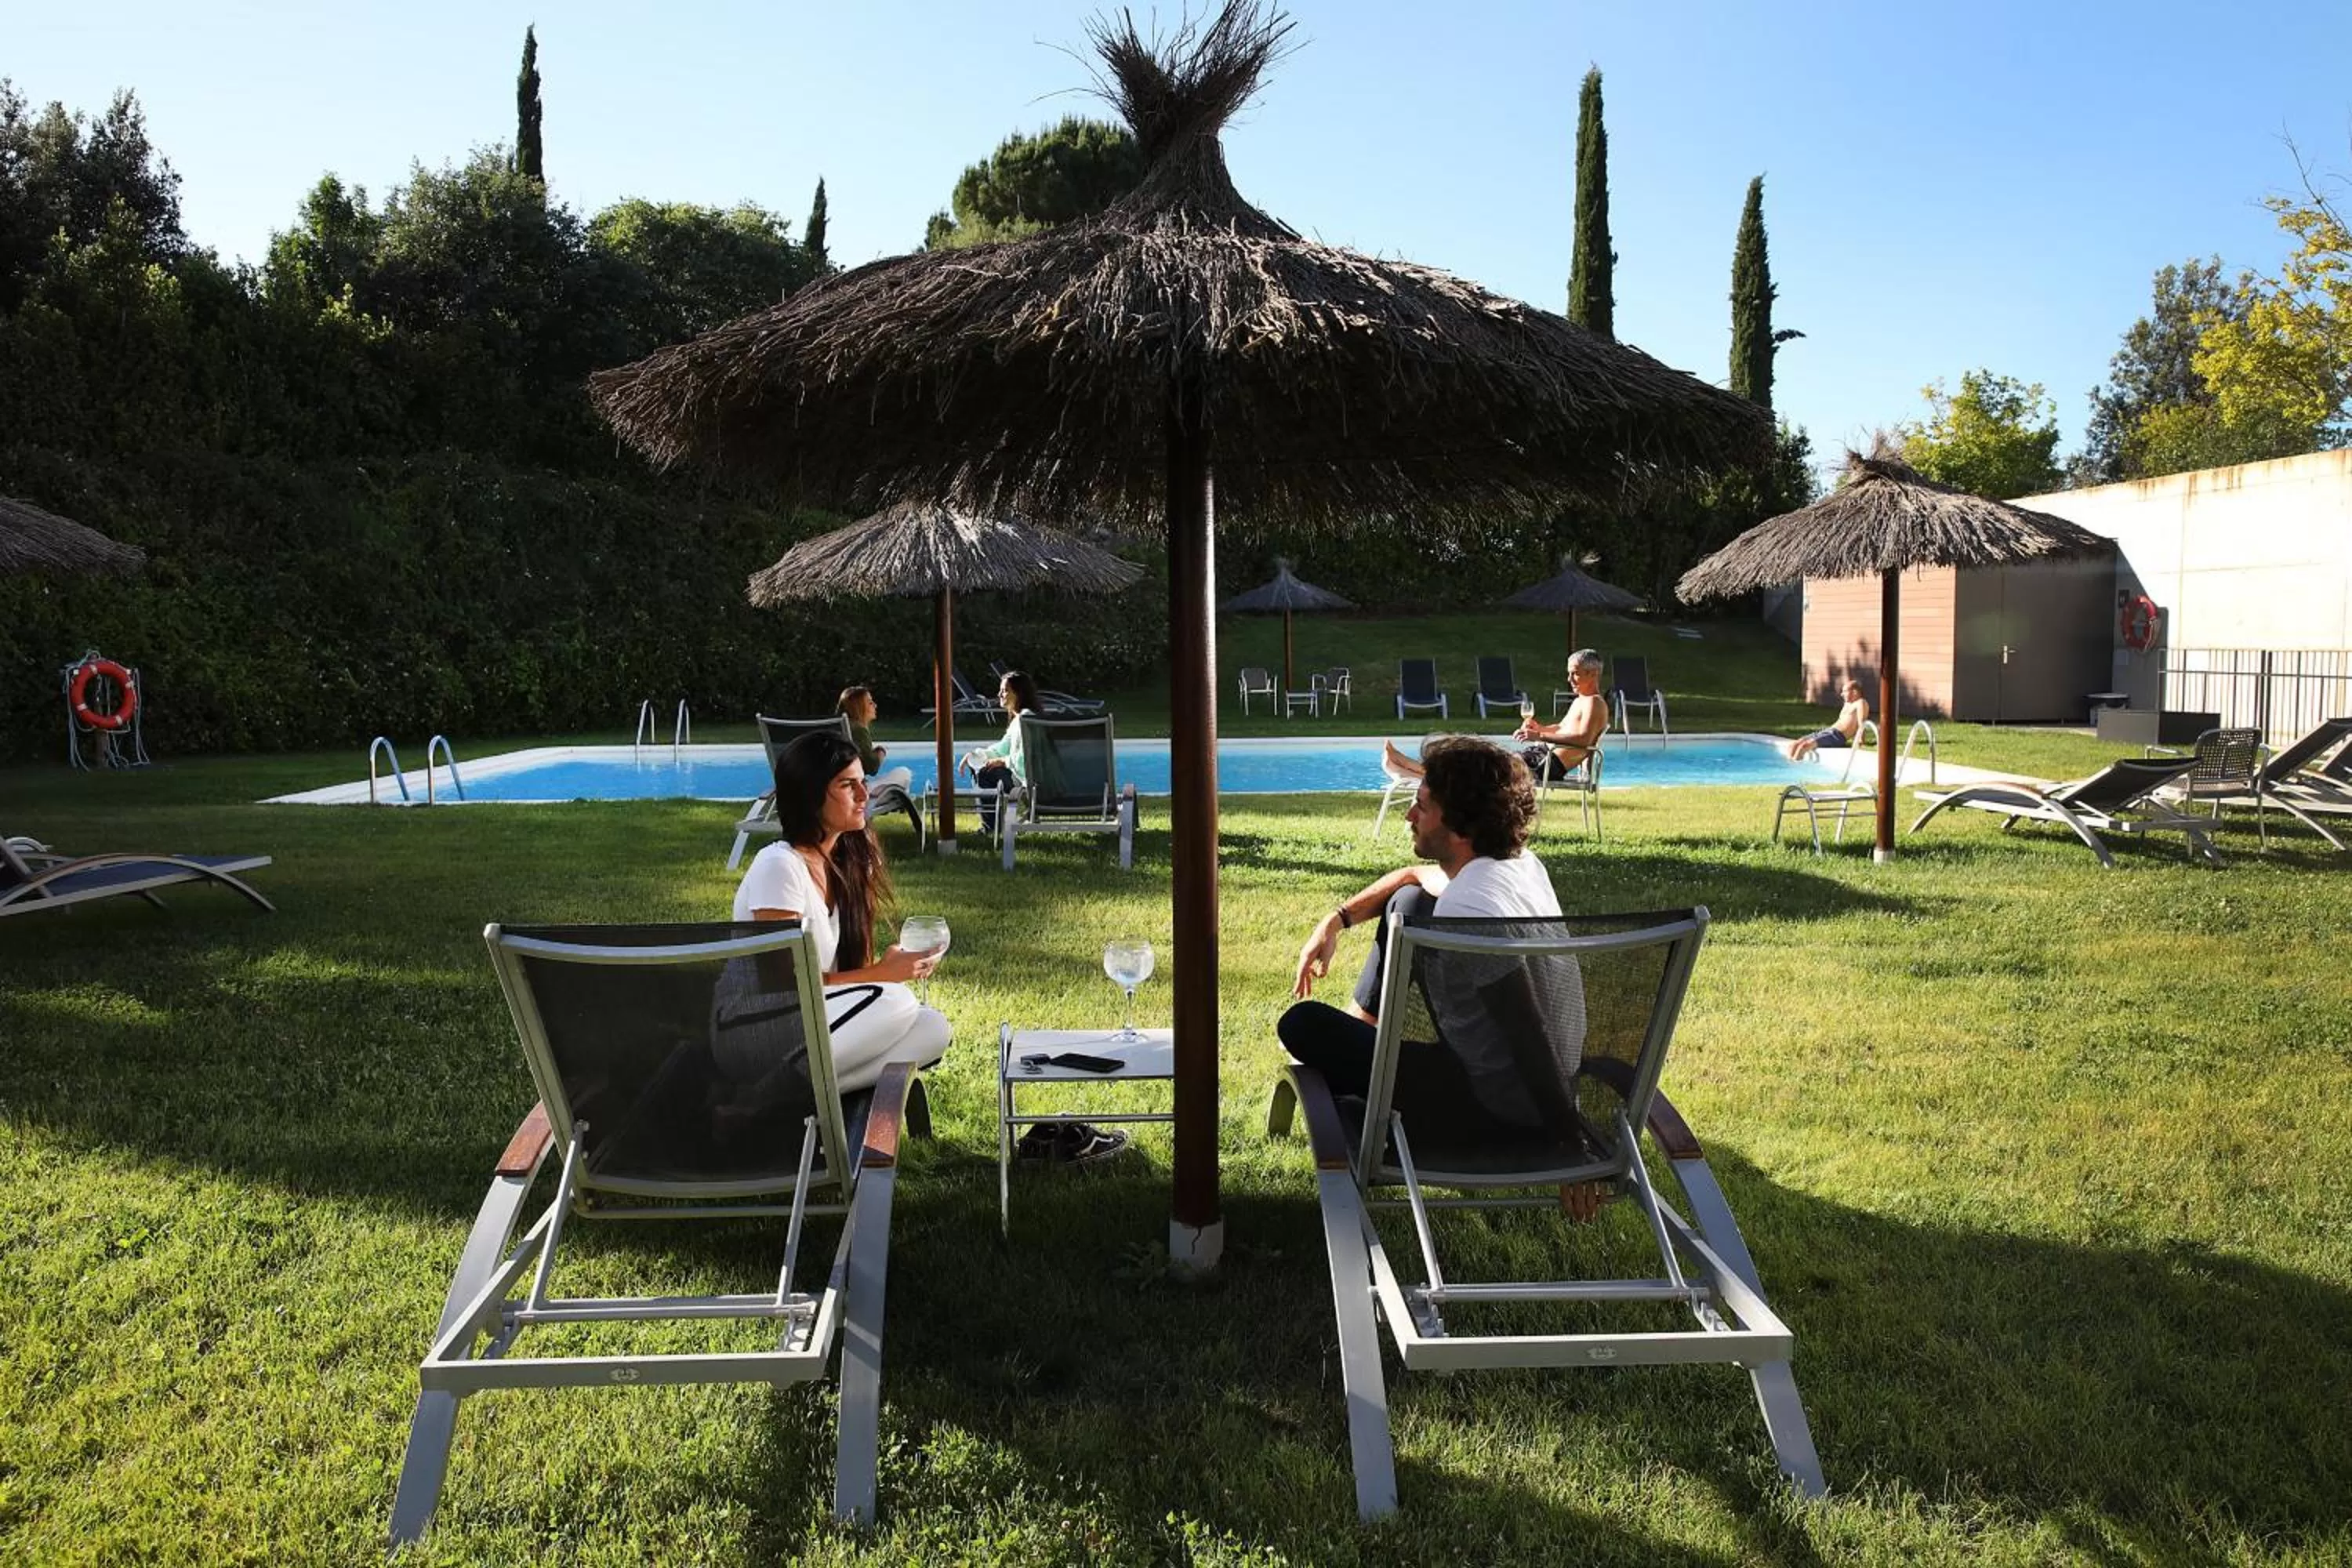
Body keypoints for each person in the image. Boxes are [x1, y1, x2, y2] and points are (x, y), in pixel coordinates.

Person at [1283, 735, 1605, 1214]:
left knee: (1301, 1025)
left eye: (1422, 806)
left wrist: (1567, 1140)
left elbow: (1524, 1028)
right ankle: (1362, 1030)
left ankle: (1362, 1088)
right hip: (1527, 1080)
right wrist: (1336, 919)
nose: (1409, 816)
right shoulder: (1514, 865)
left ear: (1458, 826)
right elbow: (1412, 880)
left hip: (1492, 1110)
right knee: (1410, 905)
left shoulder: (1468, 906)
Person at [732, 729, 949, 1094]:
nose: (865, 795)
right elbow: (781, 984)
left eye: (864, 782)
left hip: (813, 1023)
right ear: (810, 793)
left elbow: (848, 979)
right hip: (754, 1028)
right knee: (894, 999)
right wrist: (882, 974)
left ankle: (780, 1094)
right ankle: (768, 1091)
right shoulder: (779, 865)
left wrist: (881, 972)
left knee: (933, 1027)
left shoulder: (847, 864)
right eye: (849, 785)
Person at [1380, 647, 1608, 785]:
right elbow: (1563, 728)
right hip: (1540, 757)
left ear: (1593, 674)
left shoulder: (1595, 704)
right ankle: (1418, 769)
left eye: (1575, 675)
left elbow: (1582, 740)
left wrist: (1540, 737)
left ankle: (1414, 769)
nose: (1570, 680)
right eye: (1569, 674)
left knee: (1481, 765)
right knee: (1480, 759)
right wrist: (1541, 729)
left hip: (1547, 765)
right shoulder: (1582, 701)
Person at [960, 670, 1040, 830]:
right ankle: (990, 827)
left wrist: (1002, 761)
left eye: (1005, 691)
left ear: (1019, 693)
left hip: (1034, 784)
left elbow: (1028, 758)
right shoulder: (1021, 719)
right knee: (983, 766)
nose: (1000, 694)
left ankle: (990, 828)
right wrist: (976, 756)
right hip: (1032, 780)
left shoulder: (1027, 720)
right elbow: (1002, 748)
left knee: (985, 772)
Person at [837, 684, 915, 797]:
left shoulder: (836, 727)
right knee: (904, 773)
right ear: (858, 707)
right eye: (870, 702)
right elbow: (871, 767)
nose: (875, 705)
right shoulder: (858, 729)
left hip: (836, 790)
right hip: (855, 792)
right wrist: (880, 752)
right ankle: (871, 797)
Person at [1788, 677, 1869, 760]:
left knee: (1804, 746)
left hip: (1837, 736)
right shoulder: (1847, 704)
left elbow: (1862, 723)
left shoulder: (1861, 703)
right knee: (1794, 744)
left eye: (1845, 691)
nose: (1842, 694)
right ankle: (1790, 768)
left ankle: (1796, 766)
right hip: (1829, 731)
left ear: (1855, 692)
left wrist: (1861, 741)